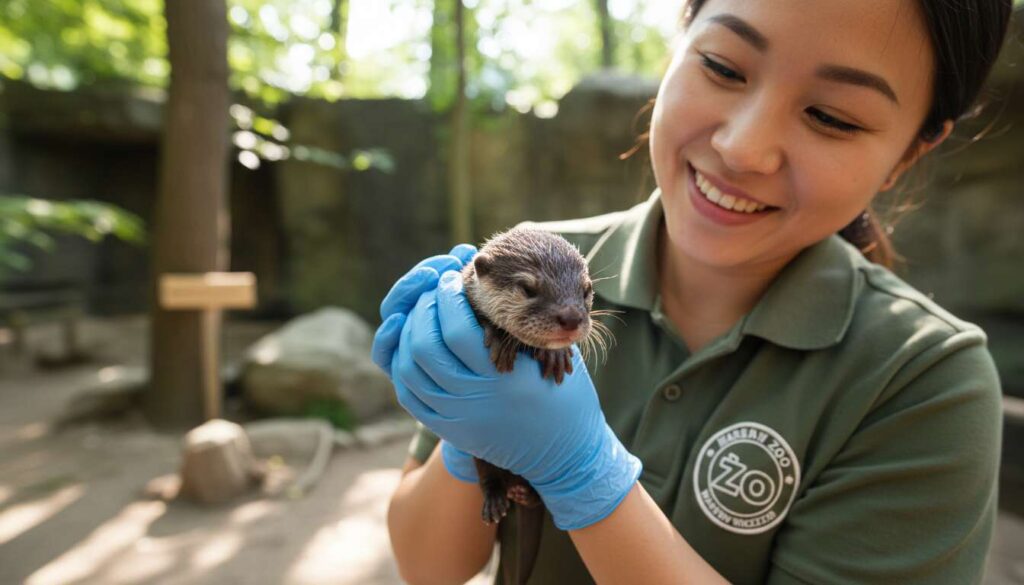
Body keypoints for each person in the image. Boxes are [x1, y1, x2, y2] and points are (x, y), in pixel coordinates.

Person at [373, 1, 1014, 583]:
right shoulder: (533, 258)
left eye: (830, 116)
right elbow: (428, 568)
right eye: (723, 67)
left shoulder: (925, 380)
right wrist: (469, 437)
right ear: (678, 40)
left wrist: (587, 477)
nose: (744, 148)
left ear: (912, 150)